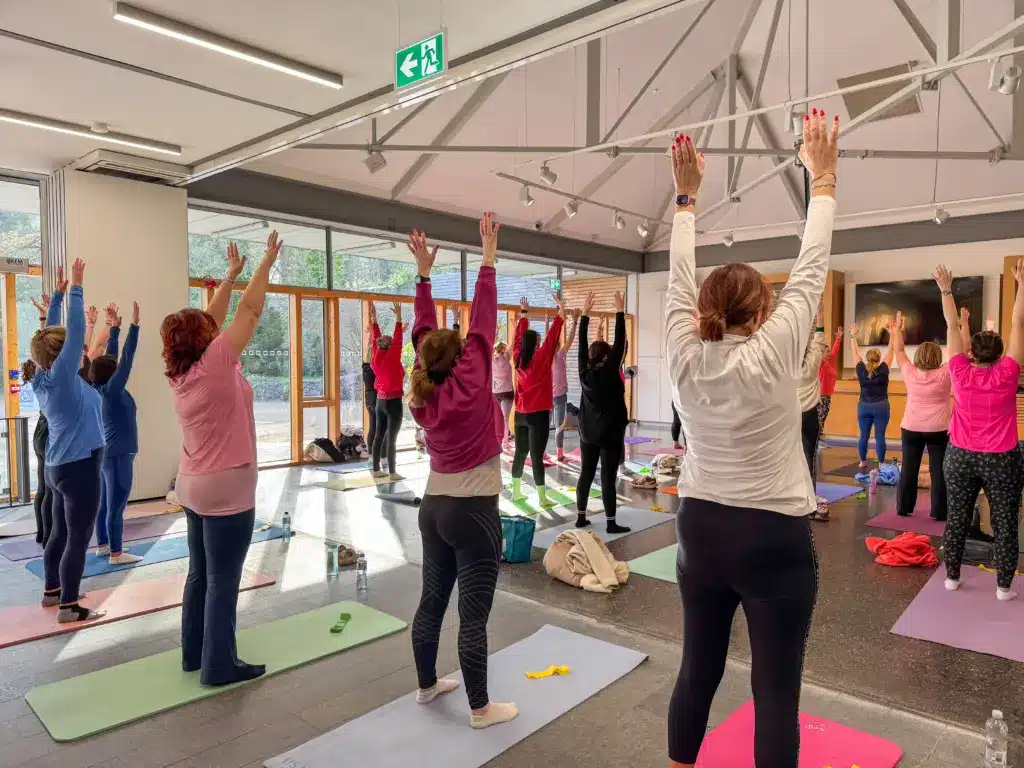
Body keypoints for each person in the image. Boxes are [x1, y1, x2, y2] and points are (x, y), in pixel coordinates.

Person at [664, 112, 839, 767]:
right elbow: (812, 262)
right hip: (772, 539)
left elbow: (680, 278)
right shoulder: (774, 351)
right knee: (774, 696)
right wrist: (821, 177)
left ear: (705, 311)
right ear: (763, 314)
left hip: (702, 530)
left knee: (696, 672)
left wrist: (685, 199)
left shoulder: (684, 354)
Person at [407, 215, 518, 729]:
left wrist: (424, 277)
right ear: (463, 360)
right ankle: (480, 709)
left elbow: (424, 336)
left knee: (432, 600)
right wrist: (488, 257)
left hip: (433, 508)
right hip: (474, 512)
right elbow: (485, 318)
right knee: (473, 615)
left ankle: (428, 687)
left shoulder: (425, 388)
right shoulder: (472, 380)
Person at [162, 232, 283, 686]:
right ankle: (219, 665)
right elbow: (248, 313)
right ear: (205, 342)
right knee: (223, 581)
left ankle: (194, 655)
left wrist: (228, 278)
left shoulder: (179, 368)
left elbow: (207, 321)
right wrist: (265, 263)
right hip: (226, 489)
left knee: (199, 574)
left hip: (191, 485)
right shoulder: (215, 363)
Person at [937, 262, 1024, 601]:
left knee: (957, 517)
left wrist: (946, 289)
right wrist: (1020, 286)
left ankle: (953, 579)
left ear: (971, 352)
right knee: (1004, 522)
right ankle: (1003, 588)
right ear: (1002, 354)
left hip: (960, 455)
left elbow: (950, 323)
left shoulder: (959, 370)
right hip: (1001, 458)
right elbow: (1018, 322)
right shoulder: (1008, 373)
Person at [31, 259, 107, 624]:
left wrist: (56, 300)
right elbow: (72, 333)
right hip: (78, 468)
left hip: (57, 467)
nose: (80, 350)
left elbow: (52, 337)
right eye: (72, 349)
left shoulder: (46, 376)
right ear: (62, 355)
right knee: (78, 538)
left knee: (60, 532)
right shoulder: (62, 376)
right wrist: (76, 286)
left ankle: (52, 591)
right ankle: (70, 606)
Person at [90, 302, 142, 564]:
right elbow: (126, 361)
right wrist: (134, 327)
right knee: (117, 505)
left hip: (106, 453)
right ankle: (116, 552)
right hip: (120, 454)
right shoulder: (111, 391)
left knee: (104, 503)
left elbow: (110, 361)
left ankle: (102, 545)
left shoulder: (100, 388)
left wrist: (115, 330)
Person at [575, 290, 631, 533]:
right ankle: (611, 523)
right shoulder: (611, 370)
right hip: (609, 433)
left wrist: (584, 315)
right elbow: (620, 343)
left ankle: (580, 517)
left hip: (587, 432)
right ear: (608, 356)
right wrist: (619, 310)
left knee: (586, 474)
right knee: (607, 478)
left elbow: (581, 344)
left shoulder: (584, 370)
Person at [891, 309, 950, 521]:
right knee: (939, 472)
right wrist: (957, 326)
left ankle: (903, 508)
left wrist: (897, 330)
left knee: (909, 469)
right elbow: (961, 351)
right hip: (939, 430)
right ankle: (940, 511)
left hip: (911, 428)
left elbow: (898, 350)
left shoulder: (909, 371)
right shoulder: (946, 372)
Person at [510, 295, 565, 506]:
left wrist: (524, 314)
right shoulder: (541, 358)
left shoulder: (517, 357)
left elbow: (518, 338)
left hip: (521, 413)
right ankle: (542, 498)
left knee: (520, 453)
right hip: (539, 414)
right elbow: (554, 335)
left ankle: (516, 493)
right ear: (537, 344)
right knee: (537, 455)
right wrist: (561, 309)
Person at [848, 322, 894, 468]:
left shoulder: (861, 369)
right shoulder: (883, 369)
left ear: (867, 358)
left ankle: (862, 461)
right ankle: (880, 463)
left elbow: (855, 353)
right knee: (880, 436)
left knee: (863, 436)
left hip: (864, 407)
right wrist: (893, 334)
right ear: (879, 359)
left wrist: (852, 335)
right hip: (881, 406)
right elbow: (892, 351)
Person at [369, 301, 405, 479]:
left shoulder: (376, 356)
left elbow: (376, 337)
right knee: (392, 438)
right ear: (391, 346)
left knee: (378, 436)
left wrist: (374, 318)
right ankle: (392, 472)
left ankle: (376, 470)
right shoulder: (392, 355)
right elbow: (398, 337)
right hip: (393, 402)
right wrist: (398, 316)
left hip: (380, 402)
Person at [797, 305, 827, 491]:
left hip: (787, 415)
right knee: (809, 457)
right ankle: (808, 497)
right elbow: (819, 339)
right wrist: (820, 315)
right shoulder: (812, 364)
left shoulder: (783, 369)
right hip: (809, 416)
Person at [551, 307, 579, 463]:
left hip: (558, 395)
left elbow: (569, 339)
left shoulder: (559, 355)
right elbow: (568, 339)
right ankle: (553, 453)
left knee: (560, 425)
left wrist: (574, 323)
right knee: (558, 425)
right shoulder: (547, 356)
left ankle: (559, 453)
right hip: (551, 395)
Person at [817, 326, 843, 438]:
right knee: (821, 414)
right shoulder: (821, 363)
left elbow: (835, 350)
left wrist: (838, 339)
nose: (828, 354)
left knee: (825, 412)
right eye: (826, 352)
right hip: (821, 394)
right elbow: (834, 373)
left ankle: (819, 431)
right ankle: (818, 432)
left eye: (828, 352)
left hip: (827, 394)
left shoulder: (828, 360)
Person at [492, 340, 514, 450]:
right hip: (507, 392)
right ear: (503, 349)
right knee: (505, 418)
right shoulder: (505, 358)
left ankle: (497, 440)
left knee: (497, 418)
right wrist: (516, 328)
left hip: (496, 392)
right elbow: (513, 343)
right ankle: (505, 441)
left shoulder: (492, 359)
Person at [362, 326, 378, 459]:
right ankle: (379, 455)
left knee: (372, 427)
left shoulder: (365, 367)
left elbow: (369, 348)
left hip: (368, 398)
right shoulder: (375, 367)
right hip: (377, 397)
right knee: (379, 428)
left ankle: (371, 454)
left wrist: (371, 335)